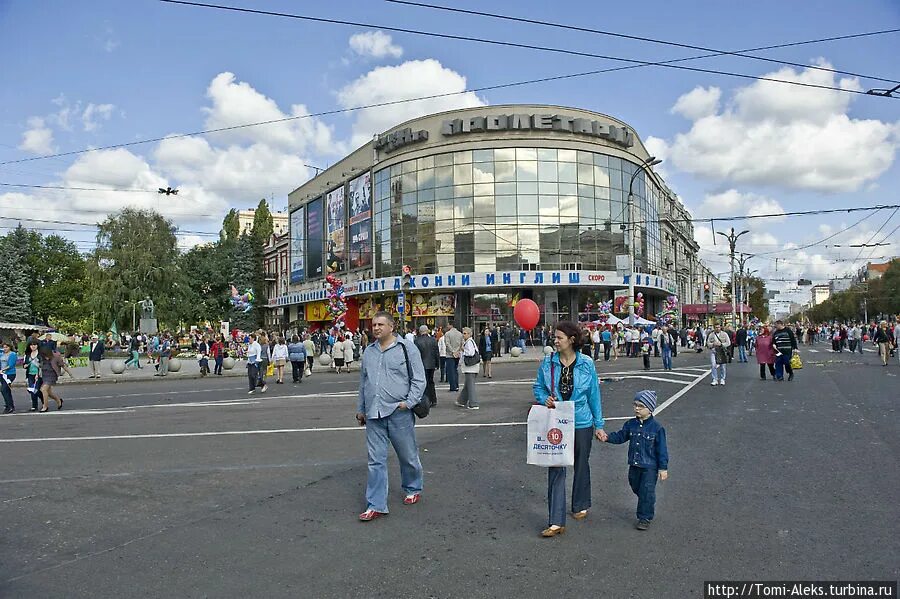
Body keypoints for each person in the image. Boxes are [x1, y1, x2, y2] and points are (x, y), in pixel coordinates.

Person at [532, 321, 605, 537]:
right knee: (555, 466)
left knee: (581, 463)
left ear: (571, 340)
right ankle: (556, 520)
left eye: (559, 337)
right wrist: (545, 398)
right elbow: (538, 386)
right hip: (556, 421)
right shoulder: (549, 363)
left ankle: (580, 503)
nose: (554, 341)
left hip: (581, 421)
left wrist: (598, 424)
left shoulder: (586, 363)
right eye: (554, 337)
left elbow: (593, 395)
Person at [356, 311, 426, 522]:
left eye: (380, 324)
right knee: (375, 460)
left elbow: (419, 379)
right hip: (373, 414)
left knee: (407, 455)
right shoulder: (368, 351)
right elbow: (363, 383)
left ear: (391, 327)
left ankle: (413, 487)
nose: (376, 328)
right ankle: (376, 504)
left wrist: (409, 403)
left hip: (398, 412)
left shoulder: (406, 348)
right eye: (374, 324)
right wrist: (361, 408)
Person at [602, 390, 669, 531]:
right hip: (634, 464)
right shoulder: (630, 424)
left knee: (646, 490)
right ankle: (647, 500)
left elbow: (662, 450)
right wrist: (607, 437)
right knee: (635, 484)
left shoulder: (657, 428)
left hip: (650, 466)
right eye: (635, 405)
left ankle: (644, 517)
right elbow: (621, 436)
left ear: (650, 409)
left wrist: (663, 468)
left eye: (641, 406)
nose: (636, 408)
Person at [456, 327, 481, 410]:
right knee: (467, 385)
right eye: (463, 333)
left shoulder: (469, 342)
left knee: (470, 386)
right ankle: (461, 401)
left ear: (470, 334)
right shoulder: (469, 341)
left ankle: (473, 403)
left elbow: (470, 353)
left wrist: (463, 350)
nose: (463, 335)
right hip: (471, 367)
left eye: (465, 333)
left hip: (471, 367)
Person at [414, 325, 439, 408]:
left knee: (424, 383)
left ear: (420, 332)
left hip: (422, 363)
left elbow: (416, 354)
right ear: (427, 331)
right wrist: (437, 364)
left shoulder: (417, 341)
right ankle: (433, 399)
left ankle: (426, 400)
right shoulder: (433, 340)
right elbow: (436, 353)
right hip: (431, 363)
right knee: (431, 382)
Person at [23, 340, 43, 411]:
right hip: (30, 374)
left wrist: (38, 373)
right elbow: (25, 364)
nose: (33, 346)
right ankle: (34, 406)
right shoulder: (28, 354)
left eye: (34, 345)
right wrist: (25, 365)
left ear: (37, 345)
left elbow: (42, 364)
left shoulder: (40, 354)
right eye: (31, 345)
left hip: (38, 374)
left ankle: (44, 401)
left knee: (36, 390)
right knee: (32, 390)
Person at [443, 323, 463, 393]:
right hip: (457, 354)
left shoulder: (447, 334)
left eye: (448, 325)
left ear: (451, 325)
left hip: (450, 355)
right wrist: (458, 351)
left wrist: (453, 351)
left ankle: (453, 387)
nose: (447, 326)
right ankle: (456, 385)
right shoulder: (460, 334)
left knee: (450, 371)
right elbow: (462, 343)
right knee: (455, 370)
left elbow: (447, 344)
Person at [1, 341, 17, 414]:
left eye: (6, 347)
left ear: (10, 347)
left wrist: (2, 370)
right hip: (2, 374)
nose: (5, 349)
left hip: (10, 374)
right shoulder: (2, 354)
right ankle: (9, 406)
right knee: (7, 390)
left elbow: (11, 365)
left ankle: (9, 406)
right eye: (3, 347)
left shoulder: (12, 354)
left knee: (3, 389)